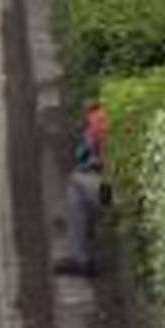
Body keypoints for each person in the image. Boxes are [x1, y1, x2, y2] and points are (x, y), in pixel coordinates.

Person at [54, 102, 111, 277]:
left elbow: (88, 160)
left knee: (76, 184)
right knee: (78, 190)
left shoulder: (105, 127)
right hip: (107, 188)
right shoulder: (96, 132)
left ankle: (79, 257)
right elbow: (86, 160)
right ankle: (81, 258)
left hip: (111, 191)